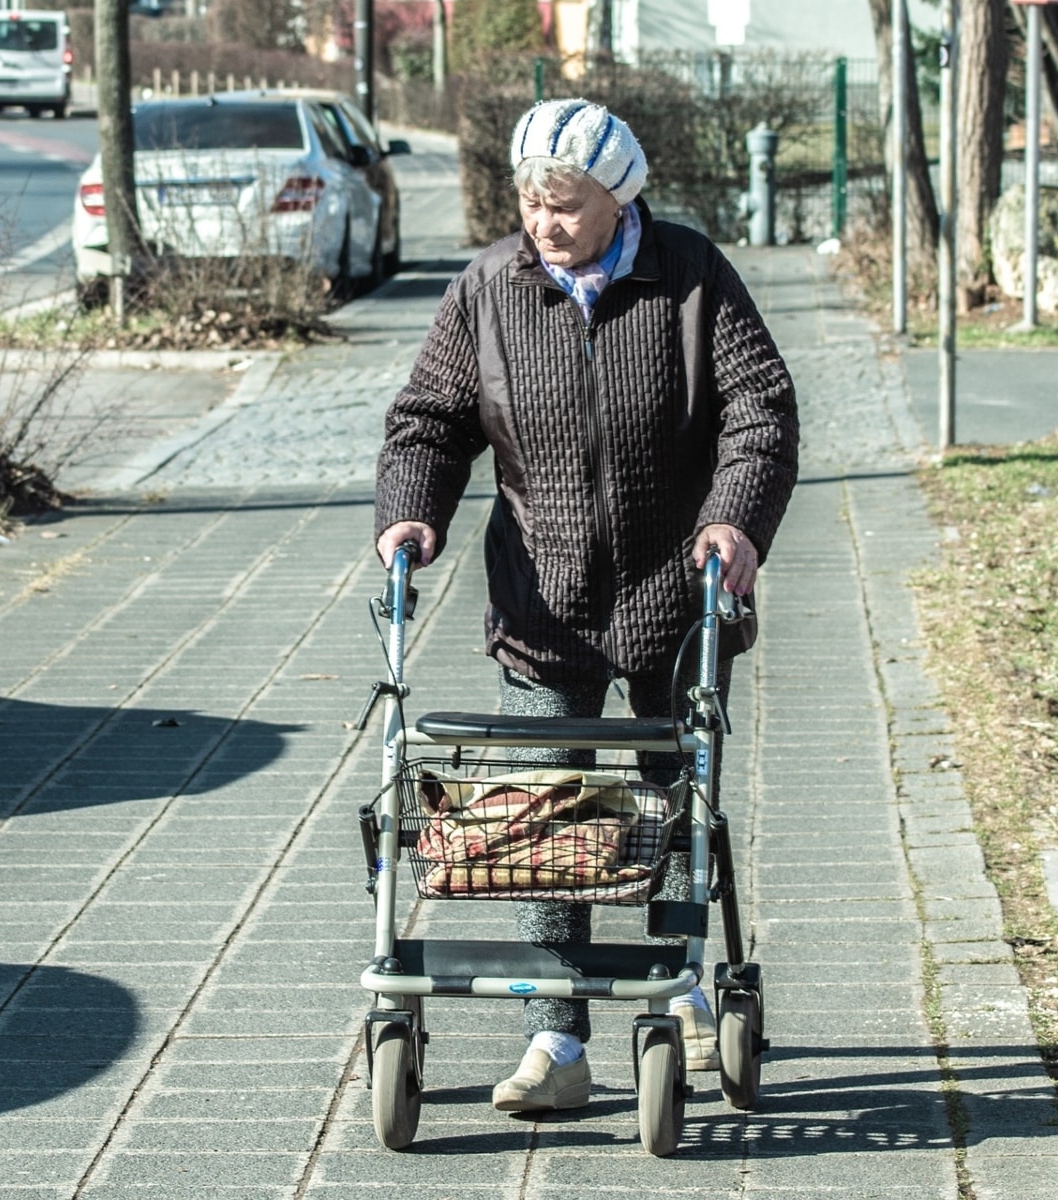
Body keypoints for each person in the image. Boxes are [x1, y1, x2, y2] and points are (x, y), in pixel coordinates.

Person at [374, 98, 798, 1114]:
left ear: (620, 199)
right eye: (531, 201)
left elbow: (761, 412)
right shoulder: (489, 288)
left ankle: (679, 990)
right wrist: (410, 516)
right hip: (544, 596)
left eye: (565, 204)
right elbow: (428, 421)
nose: (544, 221)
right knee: (544, 818)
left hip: (675, 592)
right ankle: (557, 1043)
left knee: (667, 805)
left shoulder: (691, 278)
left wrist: (734, 523)